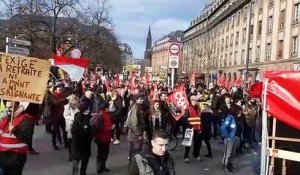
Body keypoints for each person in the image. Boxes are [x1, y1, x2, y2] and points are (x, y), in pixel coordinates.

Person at [0, 101, 34, 175]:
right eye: (7, 107)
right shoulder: (4, 118)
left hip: (16, 156)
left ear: (18, 106)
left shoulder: (26, 119)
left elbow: (27, 138)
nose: (8, 110)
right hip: (3, 156)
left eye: (11, 107)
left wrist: (15, 130)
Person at [71, 103, 93, 175]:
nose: (89, 110)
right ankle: (76, 172)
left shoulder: (88, 117)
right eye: (87, 109)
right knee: (77, 158)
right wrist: (85, 131)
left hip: (85, 142)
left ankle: (82, 172)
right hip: (79, 142)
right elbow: (73, 131)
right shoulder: (78, 119)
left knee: (84, 159)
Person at [220, 105, 243, 173]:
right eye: (239, 111)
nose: (241, 113)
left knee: (233, 153)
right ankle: (225, 165)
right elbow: (223, 127)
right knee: (228, 153)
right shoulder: (230, 118)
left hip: (236, 137)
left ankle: (230, 165)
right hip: (230, 138)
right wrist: (227, 136)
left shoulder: (239, 118)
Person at [93, 102, 113, 173]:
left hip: (107, 137)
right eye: (108, 107)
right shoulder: (101, 116)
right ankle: (99, 167)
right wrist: (110, 128)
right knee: (101, 153)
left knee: (105, 153)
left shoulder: (108, 114)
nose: (109, 108)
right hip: (101, 138)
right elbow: (98, 128)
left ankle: (103, 166)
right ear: (105, 108)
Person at [182, 95, 202, 163]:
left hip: (198, 129)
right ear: (191, 100)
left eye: (196, 100)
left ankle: (195, 155)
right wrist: (190, 125)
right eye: (194, 100)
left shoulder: (198, 108)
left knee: (197, 143)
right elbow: (184, 119)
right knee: (188, 143)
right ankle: (186, 157)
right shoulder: (188, 108)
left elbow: (199, 118)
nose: (195, 101)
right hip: (190, 129)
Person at [125, 93, 146, 159]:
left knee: (133, 148)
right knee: (136, 149)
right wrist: (139, 134)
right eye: (140, 99)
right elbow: (134, 122)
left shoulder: (136, 106)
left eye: (142, 99)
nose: (142, 100)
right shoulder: (135, 107)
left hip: (133, 132)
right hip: (134, 133)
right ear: (136, 100)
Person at [64, 94, 80, 161]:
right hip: (70, 125)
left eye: (75, 99)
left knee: (77, 142)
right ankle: (71, 156)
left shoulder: (78, 106)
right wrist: (73, 118)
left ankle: (77, 154)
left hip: (78, 125)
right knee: (71, 142)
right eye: (73, 99)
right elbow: (65, 115)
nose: (75, 101)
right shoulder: (67, 107)